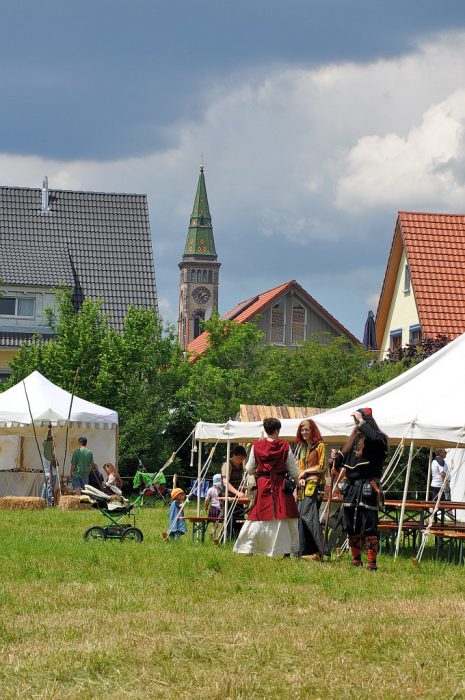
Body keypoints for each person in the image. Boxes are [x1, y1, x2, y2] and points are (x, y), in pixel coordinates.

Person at [331, 408, 388, 571]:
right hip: (351, 488)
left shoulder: (379, 439)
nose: (356, 424)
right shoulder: (353, 441)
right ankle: (356, 561)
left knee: (369, 525)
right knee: (351, 525)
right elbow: (341, 462)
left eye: (359, 420)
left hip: (368, 487)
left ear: (366, 421)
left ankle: (372, 564)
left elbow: (376, 439)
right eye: (356, 421)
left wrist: (362, 422)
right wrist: (335, 458)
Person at [234, 417, 299, 557]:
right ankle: (285, 552)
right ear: (277, 430)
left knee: (258, 515)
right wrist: (297, 483)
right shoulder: (285, 445)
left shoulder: (257, 446)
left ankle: (248, 548)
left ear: (266, 430)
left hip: (263, 484)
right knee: (283, 515)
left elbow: (250, 468)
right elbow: (292, 468)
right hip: (280, 483)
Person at [296, 419, 327, 560]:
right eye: (302, 430)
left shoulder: (320, 446)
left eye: (306, 429)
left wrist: (305, 472)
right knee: (302, 517)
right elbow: (299, 467)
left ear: (312, 430)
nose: (304, 432)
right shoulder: (302, 448)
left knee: (310, 517)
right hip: (304, 487)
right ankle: (304, 551)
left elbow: (322, 466)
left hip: (316, 486)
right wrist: (300, 477)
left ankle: (318, 552)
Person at [221, 445, 247, 538]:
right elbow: (225, 482)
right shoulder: (227, 465)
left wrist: (243, 488)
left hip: (238, 499)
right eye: (240, 458)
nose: (241, 460)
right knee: (229, 521)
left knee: (239, 521)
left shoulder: (240, 466)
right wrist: (237, 492)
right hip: (229, 499)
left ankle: (237, 540)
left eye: (243, 458)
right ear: (236, 455)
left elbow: (237, 482)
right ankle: (226, 540)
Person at [41, 427, 57, 506]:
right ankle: (50, 504)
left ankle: (42, 502)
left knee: (45, 488)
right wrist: (56, 460)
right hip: (51, 474)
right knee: (50, 489)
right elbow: (55, 464)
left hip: (46, 473)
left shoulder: (44, 454)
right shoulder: (50, 455)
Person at [205, 474, 223, 538]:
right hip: (220, 509)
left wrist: (206, 507)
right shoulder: (221, 489)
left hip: (213, 508)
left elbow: (207, 499)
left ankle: (213, 534)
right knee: (218, 523)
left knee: (215, 524)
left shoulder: (210, 489)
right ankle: (214, 535)